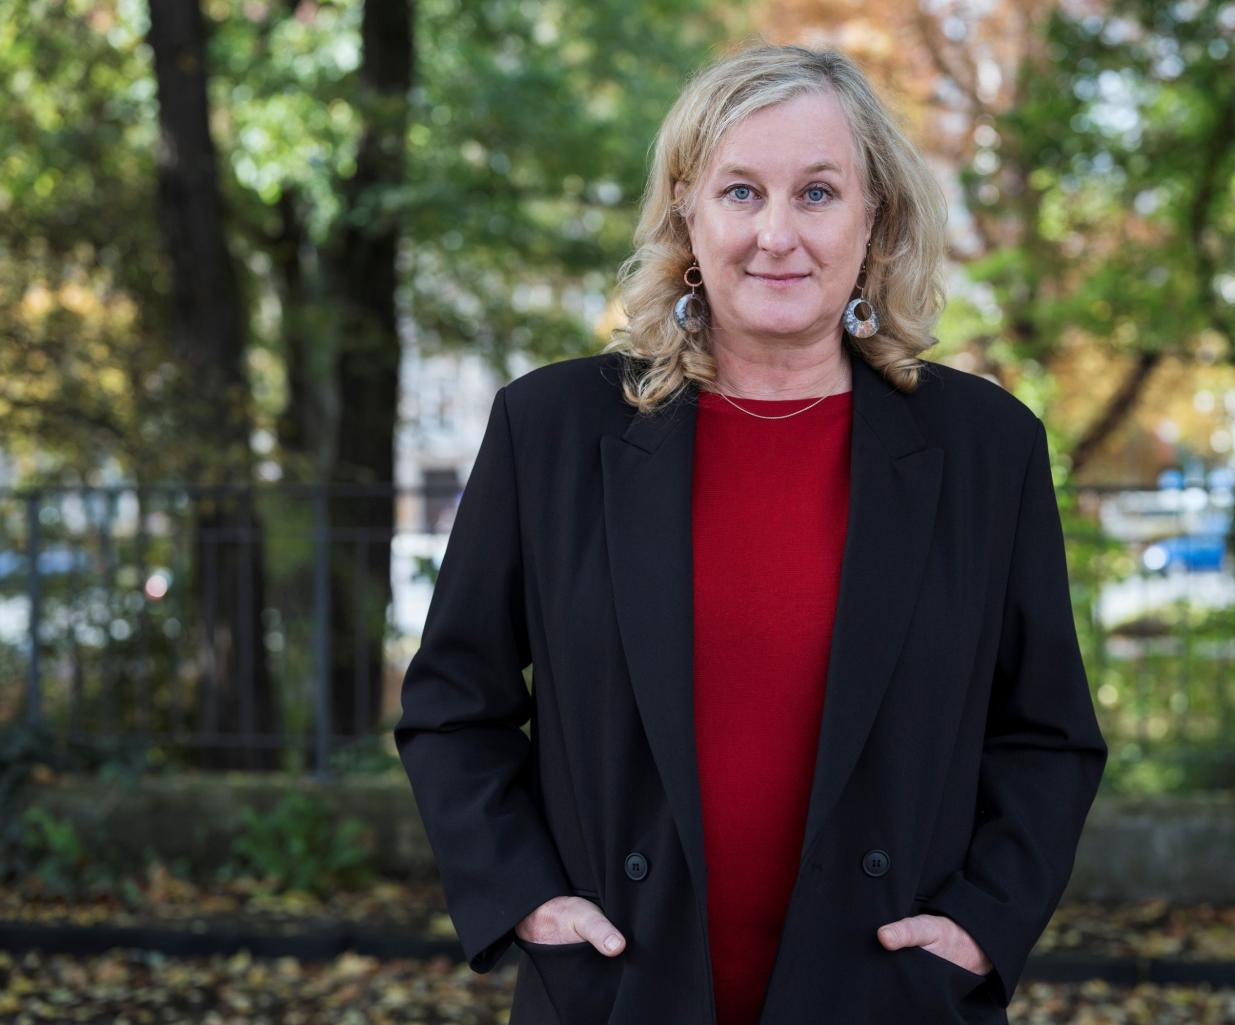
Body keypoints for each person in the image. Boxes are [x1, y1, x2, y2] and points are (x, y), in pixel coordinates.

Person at [394, 43, 1108, 1025]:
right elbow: (451, 707)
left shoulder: (986, 448)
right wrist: (524, 896)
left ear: (875, 217)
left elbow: (1047, 734)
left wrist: (982, 923)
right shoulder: (550, 430)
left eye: (817, 193)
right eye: (741, 191)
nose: (778, 234)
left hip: (887, 996)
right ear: (689, 210)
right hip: (618, 991)